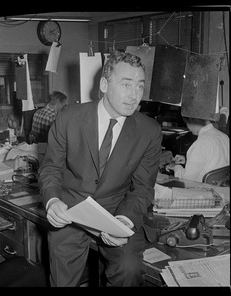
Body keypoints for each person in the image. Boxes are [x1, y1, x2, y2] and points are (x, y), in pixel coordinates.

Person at [38, 51, 162, 287]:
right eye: (126, 84)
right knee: (62, 280)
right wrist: (53, 202)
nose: (134, 95)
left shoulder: (150, 131)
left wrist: (124, 221)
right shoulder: (68, 117)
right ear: (104, 84)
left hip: (116, 211)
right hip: (70, 209)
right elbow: (51, 168)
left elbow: (143, 188)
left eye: (139, 86)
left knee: (129, 271)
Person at [165, 116, 229, 182]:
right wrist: (188, 160)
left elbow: (186, 181)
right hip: (221, 187)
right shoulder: (224, 136)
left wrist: (176, 167)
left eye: (186, 123)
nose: (188, 128)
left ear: (192, 119)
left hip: (202, 189)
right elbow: (216, 162)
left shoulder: (200, 143)